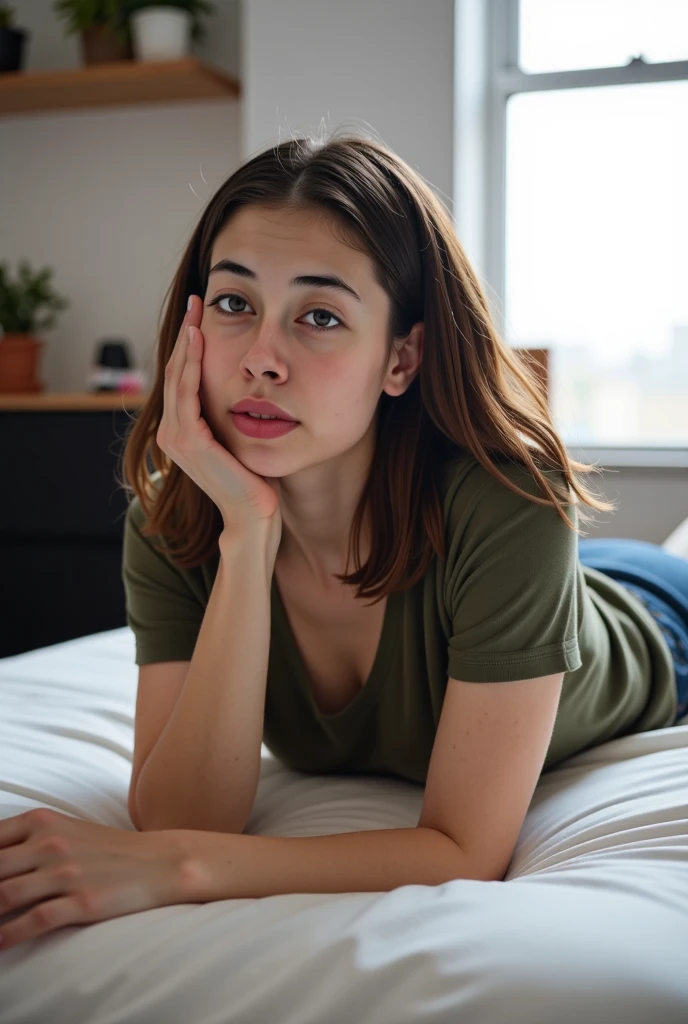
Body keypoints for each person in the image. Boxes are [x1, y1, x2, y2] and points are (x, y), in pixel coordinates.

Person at [118, 129, 685, 836]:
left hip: (655, 613)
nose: (262, 359)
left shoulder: (512, 502)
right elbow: (177, 818)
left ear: (402, 358)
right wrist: (249, 534)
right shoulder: (172, 525)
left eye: (319, 316)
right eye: (235, 303)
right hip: (505, 583)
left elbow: (462, 848)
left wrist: (188, 873)